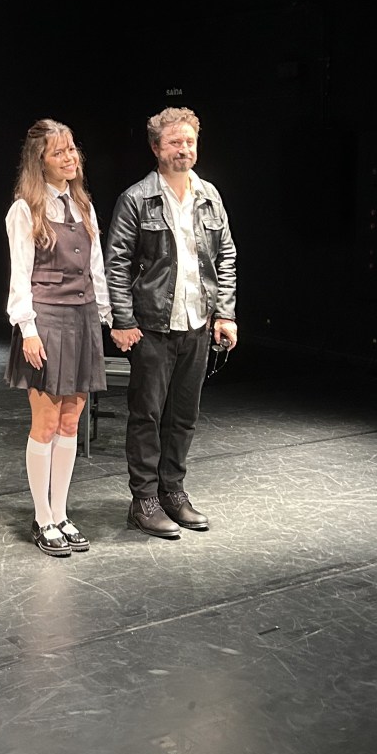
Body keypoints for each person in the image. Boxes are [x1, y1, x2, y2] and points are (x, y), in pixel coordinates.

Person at [105, 107, 238, 538]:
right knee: (147, 415)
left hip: (197, 322)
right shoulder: (137, 198)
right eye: (175, 142)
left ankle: (173, 492)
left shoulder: (209, 196)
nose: (184, 149)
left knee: (184, 415)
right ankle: (144, 499)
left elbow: (226, 257)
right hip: (152, 326)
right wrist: (122, 320)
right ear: (156, 148)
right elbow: (117, 264)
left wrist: (225, 313)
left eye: (189, 142)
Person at [5, 119, 112, 557]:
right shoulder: (25, 210)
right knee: (46, 423)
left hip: (83, 318)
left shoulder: (83, 206)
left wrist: (106, 318)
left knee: (72, 422)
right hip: (46, 321)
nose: (70, 158)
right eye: (59, 152)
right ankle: (42, 517)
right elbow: (20, 275)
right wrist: (27, 329)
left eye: (72, 150)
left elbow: (97, 268)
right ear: (41, 161)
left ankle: (62, 512)